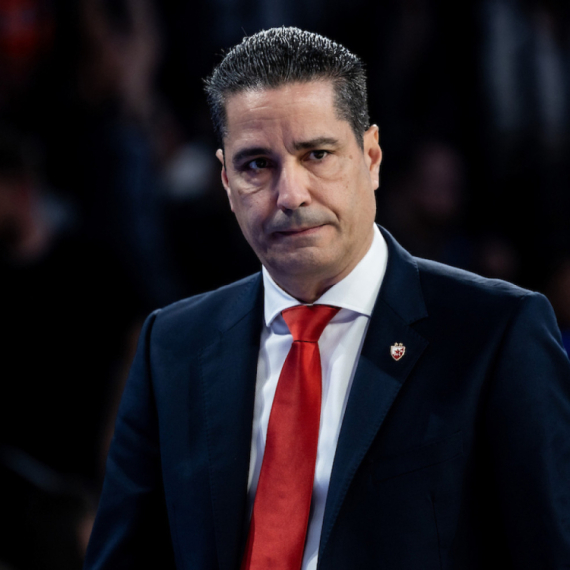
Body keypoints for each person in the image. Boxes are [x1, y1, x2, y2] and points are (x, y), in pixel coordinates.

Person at [84, 27, 570, 569]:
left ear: (371, 156)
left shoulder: (496, 333)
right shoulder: (172, 346)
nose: (290, 195)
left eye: (316, 154)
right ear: (225, 181)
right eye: (256, 165)